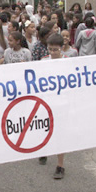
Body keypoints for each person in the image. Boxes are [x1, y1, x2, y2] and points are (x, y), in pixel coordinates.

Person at [39, 34, 68, 179]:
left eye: (55, 50)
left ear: (62, 49)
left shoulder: (68, 62)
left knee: (60, 133)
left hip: (62, 102)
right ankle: (44, 150)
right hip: (47, 102)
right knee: (45, 128)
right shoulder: (44, 61)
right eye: (50, 49)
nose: (52, 52)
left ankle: (60, 165)